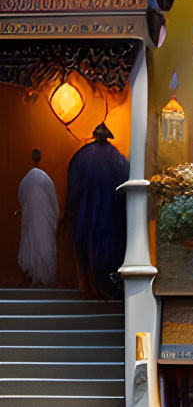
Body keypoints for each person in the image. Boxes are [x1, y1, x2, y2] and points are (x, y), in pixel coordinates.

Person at [65, 122, 127, 299]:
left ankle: (88, 284)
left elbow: (74, 185)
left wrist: (71, 209)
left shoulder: (82, 155)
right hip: (108, 211)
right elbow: (124, 180)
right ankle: (99, 285)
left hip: (86, 210)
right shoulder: (115, 156)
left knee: (87, 246)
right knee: (105, 248)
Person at [16, 150, 59, 287]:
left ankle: (38, 277)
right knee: (39, 244)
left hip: (36, 218)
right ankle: (37, 277)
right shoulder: (43, 179)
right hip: (39, 219)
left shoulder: (29, 179)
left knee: (34, 243)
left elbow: (22, 196)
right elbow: (53, 202)